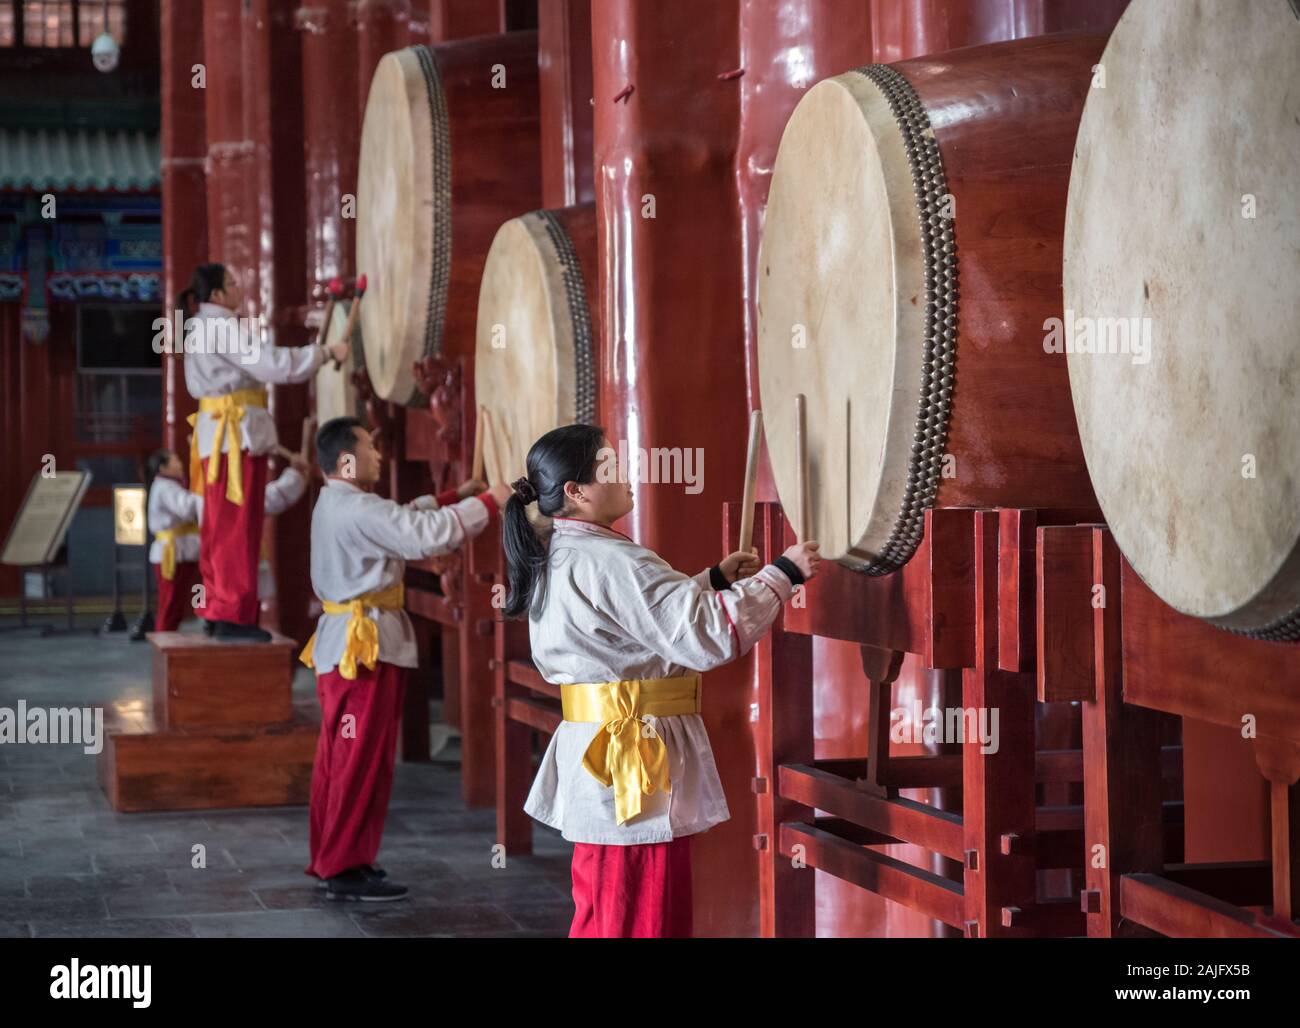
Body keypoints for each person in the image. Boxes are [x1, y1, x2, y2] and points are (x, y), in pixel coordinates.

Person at [504, 424, 821, 938]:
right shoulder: (611, 559)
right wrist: (783, 574)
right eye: (610, 467)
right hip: (631, 760)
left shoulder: (565, 552)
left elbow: (632, 632)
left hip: (609, 751)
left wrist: (712, 581)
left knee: (611, 909)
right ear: (576, 492)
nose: (625, 474)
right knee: (637, 914)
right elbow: (706, 634)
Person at [300, 416, 512, 901]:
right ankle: (341, 865)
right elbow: (424, 536)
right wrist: (489, 501)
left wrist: (453, 495)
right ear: (347, 460)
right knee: (358, 761)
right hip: (364, 650)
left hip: (351, 646)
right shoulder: (355, 508)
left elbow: (400, 518)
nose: (380, 454)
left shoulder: (339, 502)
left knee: (345, 758)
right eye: (371, 447)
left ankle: (340, 856)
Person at [184, 262, 349, 642]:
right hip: (233, 443)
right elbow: (272, 364)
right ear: (217, 295)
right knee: (237, 528)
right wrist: (325, 353)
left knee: (221, 525)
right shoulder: (222, 327)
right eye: (232, 284)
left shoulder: (197, 327)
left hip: (222, 440)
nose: (239, 289)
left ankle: (219, 609)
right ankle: (234, 617)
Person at [145, 446, 314, 634]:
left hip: (208, 552)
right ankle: (180, 632)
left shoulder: (218, 486)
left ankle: (211, 623)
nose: (180, 463)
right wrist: (295, 475)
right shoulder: (175, 487)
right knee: (179, 601)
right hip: (208, 553)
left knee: (199, 597)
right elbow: (262, 500)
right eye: (174, 460)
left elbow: (261, 499)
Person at [145, 448, 202, 633]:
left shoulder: (169, 486)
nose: (180, 464)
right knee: (170, 603)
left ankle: (169, 637)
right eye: (175, 461)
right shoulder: (165, 487)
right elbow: (186, 507)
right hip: (172, 552)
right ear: (163, 468)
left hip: (181, 550)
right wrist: (207, 494)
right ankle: (164, 639)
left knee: (175, 602)